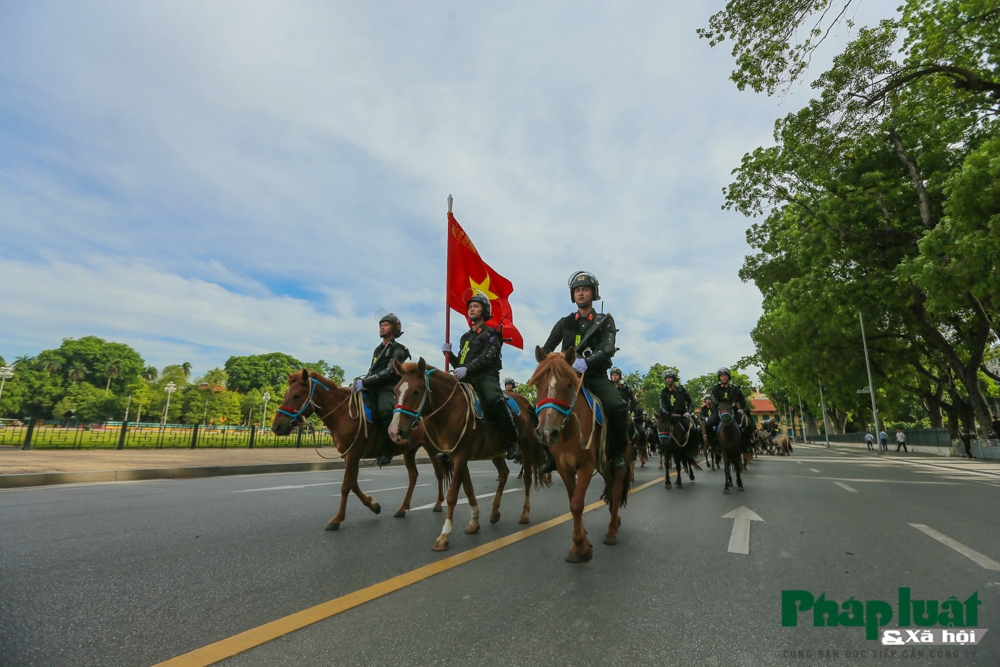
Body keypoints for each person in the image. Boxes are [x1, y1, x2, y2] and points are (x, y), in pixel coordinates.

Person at [540, 271, 629, 473]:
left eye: (585, 289)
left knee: (618, 408)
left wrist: (587, 362)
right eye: (577, 290)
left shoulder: (605, 320)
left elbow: (608, 347)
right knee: (540, 407)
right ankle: (550, 454)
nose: (581, 293)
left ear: (593, 293)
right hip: (566, 378)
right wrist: (552, 364)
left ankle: (617, 454)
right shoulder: (564, 322)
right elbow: (546, 349)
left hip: (594, 376)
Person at [442, 294, 520, 461]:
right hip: (466, 378)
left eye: (476, 306)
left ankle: (511, 442)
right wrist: (450, 355)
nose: (472, 309)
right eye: (470, 306)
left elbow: (486, 358)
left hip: (485, 377)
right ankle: (450, 443)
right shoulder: (465, 337)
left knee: (494, 400)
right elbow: (461, 363)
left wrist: (467, 369)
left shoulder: (492, 333)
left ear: (484, 311)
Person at [355, 313, 411, 466]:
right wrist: (362, 382)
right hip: (373, 385)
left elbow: (390, 372)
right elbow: (374, 370)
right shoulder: (378, 349)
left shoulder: (399, 349)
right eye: (381, 325)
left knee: (384, 412)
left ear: (394, 329)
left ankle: (388, 450)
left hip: (388, 387)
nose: (382, 327)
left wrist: (366, 382)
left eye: (385, 325)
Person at [705, 367, 749, 447]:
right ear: (719, 378)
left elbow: (742, 400)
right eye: (721, 376)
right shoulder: (715, 388)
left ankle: (745, 444)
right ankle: (713, 443)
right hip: (720, 412)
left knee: (749, 424)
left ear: (728, 377)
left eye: (725, 376)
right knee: (708, 424)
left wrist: (742, 409)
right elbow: (715, 401)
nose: (723, 378)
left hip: (733, 412)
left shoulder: (735, 388)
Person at [659, 369, 693, 433]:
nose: (667, 380)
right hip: (668, 417)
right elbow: (662, 404)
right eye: (666, 378)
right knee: (655, 427)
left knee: (693, 429)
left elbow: (690, 402)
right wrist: (665, 413)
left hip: (682, 416)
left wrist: (689, 412)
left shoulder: (682, 390)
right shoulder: (664, 392)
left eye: (669, 378)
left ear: (673, 379)